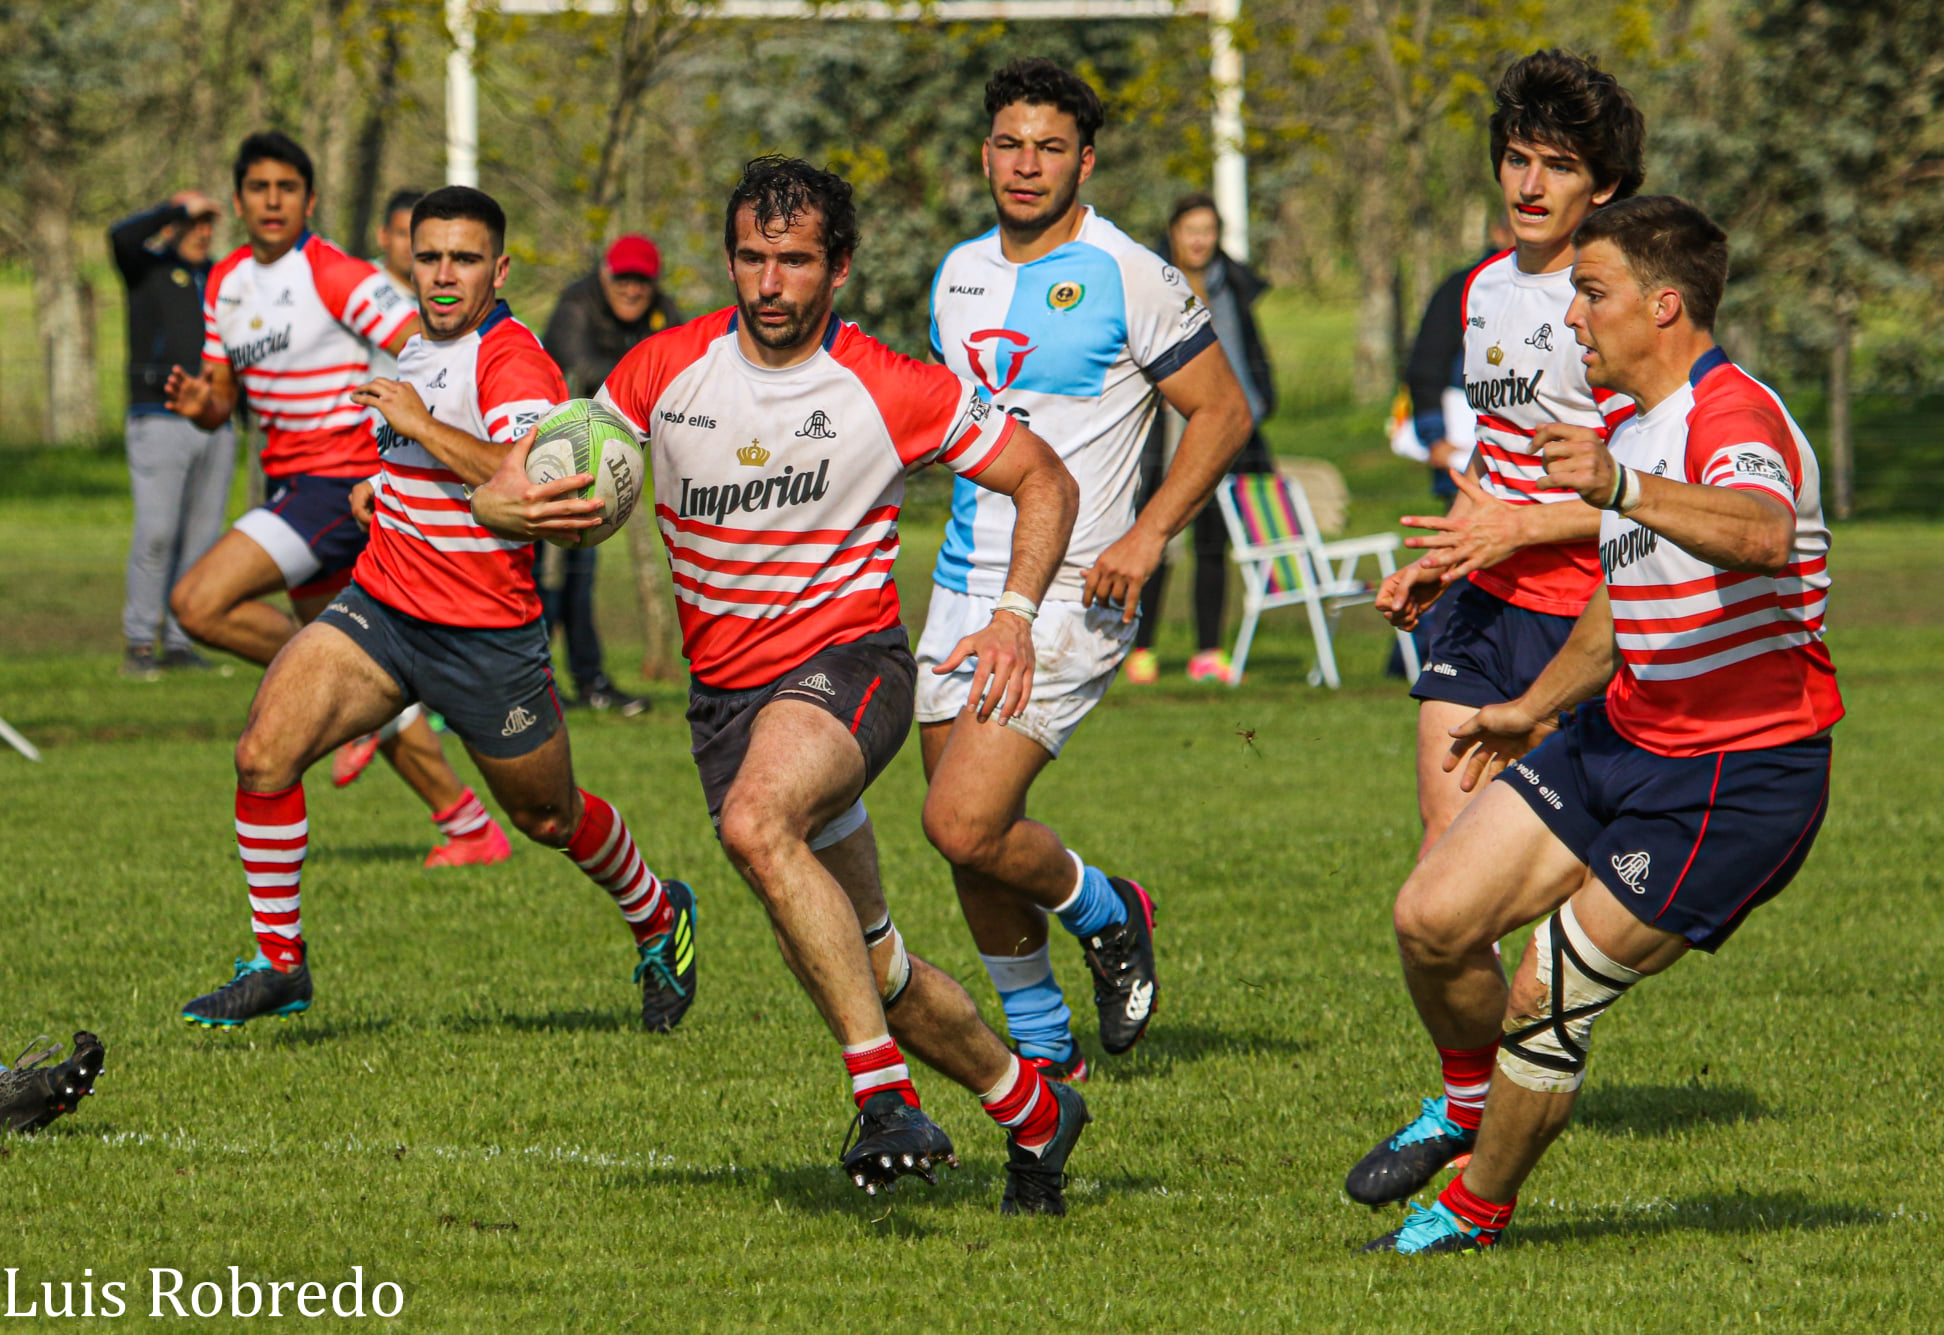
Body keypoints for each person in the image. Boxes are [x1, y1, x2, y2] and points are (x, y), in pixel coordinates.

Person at [476, 156, 1093, 1213]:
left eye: (795, 261)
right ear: (729, 261)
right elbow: (519, 479)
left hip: (849, 666)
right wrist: (515, 508)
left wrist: (1016, 615)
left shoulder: (892, 386)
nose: (771, 282)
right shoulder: (658, 373)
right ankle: (1032, 1109)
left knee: (759, 826)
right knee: (876, 966)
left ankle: (882, 1099)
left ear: (838, 268)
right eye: (753, 259)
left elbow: (1044, 476)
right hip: (726, 704)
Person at [1362, 195, 1842, 1253]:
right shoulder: (1633, 427)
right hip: (1621, 734)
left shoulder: (1732, 416)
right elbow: (1622, 604)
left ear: (1663, 305)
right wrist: (1530, 709)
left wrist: (1623, 484)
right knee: (1434, 916)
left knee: (1544, 991)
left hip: (1734, 779)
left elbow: (1762, 535)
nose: (1572, 319)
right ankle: (1466, 1105)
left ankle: (1473, 1212)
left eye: (1592, 293)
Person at [176, 185, 696, 1033]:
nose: (444, 275)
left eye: (463, 259)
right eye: (429, 257)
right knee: (263, 753)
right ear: (408, 260)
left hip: (486, 637)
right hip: (382, 608)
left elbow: (524, 474)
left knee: (547, 816)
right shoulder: (415, 347)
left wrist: (418, 423)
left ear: (499, 268)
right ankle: (280, 961)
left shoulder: (513, 358)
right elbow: (417, 461)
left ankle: (658, 912)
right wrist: (375, 489)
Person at [918, 59, 1253, 1079]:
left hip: (1075, 591)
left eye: (1051, 147)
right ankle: (1045, 1054)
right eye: (1011, 145)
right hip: (962, 580)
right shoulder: (959, 273)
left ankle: (1110, 909)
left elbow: (1225, 412)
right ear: (986, 154)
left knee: (963, 818)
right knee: (967, 843)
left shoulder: (1131, 273)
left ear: (1086, 160)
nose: (1028, 165)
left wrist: (1148, 533)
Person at [1353, 52, 1645, 1198]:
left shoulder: (1614, 301)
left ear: (1603, 187)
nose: (1529, 184)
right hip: (1483, 609)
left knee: (1505, 906)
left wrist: (1515, 533)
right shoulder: (1480, 292)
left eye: (1558, 166)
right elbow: (1493, 464)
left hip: (1583, 622)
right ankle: (1466, 1099)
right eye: (1518, 160)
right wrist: (1446, 555)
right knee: (1440, 880)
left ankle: (1499, 1092)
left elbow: (1638, 488)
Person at [163, 132, 511, 870]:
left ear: (309, 200)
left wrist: (444, 423)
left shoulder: (335, 273)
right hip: (291, 485)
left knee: (198, 603)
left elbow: (431, 333)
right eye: (258, 188)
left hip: (341, 480)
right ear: (237, 201)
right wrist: (201, 404)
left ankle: (351, 696)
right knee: (347, 669)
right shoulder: (224, 281)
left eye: (287, 188)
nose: (272, 200)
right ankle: (466, 822)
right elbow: (224, 399)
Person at [1124, 192, 1277, 687]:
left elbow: (1251, 355)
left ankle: (1208, 651)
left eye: (1208, 230)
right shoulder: (1150, 284)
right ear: (1173, 232)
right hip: (1165, 430)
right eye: (1191, 229)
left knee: (1213, 543)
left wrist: (1253, 410)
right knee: (1159, 535)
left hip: (1224, 433)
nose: (1199, 240)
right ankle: (1141, 648)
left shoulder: (1231, 286)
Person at [535, 234, 686, 716]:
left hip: (614, 459)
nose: (632, 290)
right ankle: (536, 681)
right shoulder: (575, 306)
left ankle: (586, 679)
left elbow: (688, 370)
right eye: (624, 277)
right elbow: (579, 370)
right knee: (547, 578)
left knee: (580, 576)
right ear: (605, 274)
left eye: (642, 280)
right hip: (558, 455)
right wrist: (645, 380)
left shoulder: (666, 314)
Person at [1382, 212, 1516, 676]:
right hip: (1466, 448)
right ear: (1498, 232)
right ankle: (1429, 653)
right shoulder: (1466, 288)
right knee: (1459, 554)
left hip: (1528, 461)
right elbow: (1424, 365)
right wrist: (1434, 436)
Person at [110, 189, 235, 678]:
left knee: (201, 536)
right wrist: (175, 209)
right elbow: (119, 236)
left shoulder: (221, 277)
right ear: (174, 224)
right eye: (193, 222)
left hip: (216, 422)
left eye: (208, 223)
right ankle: (140, 643)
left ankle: (183, 641)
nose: (202, 231)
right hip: (158, 416)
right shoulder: (146, 268)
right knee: (157, 533)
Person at [331, 186, 427, 789]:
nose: (413, 249)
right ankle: (374, 702)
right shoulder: (364, 291)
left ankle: (383, 703)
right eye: (402, 235)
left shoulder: (443, 299)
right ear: (384, 238)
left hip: (421, 455)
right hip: (361, 455)